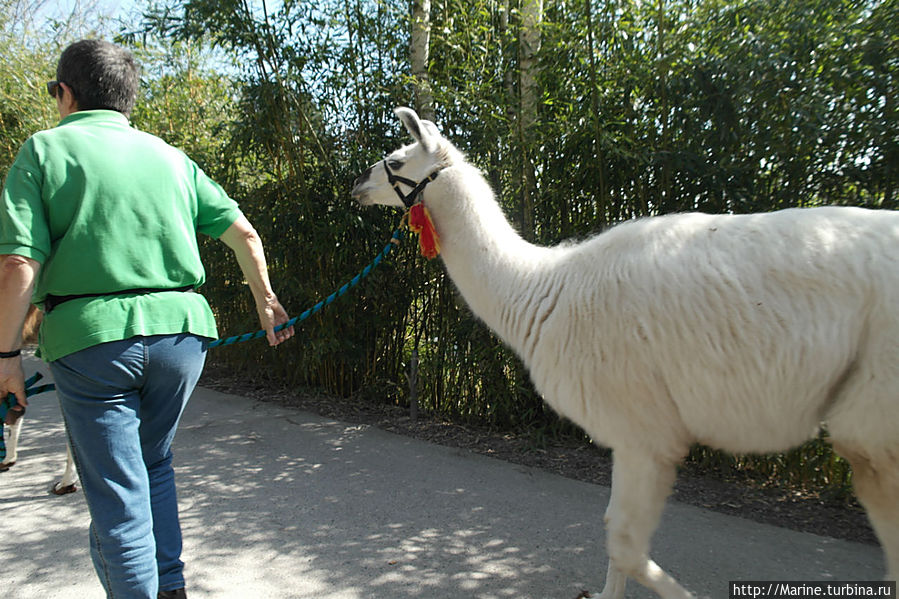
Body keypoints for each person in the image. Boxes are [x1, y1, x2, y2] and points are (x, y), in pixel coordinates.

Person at [0, 39, 294, 599]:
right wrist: (266, 301)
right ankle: (171, 586)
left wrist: (6, 356)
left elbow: (18, 262)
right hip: (181, 339)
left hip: (92, 344)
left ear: (64, 93)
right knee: (152, 464)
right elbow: (244, 233)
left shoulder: (43, 151)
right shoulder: (171, 156)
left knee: (117, 497)